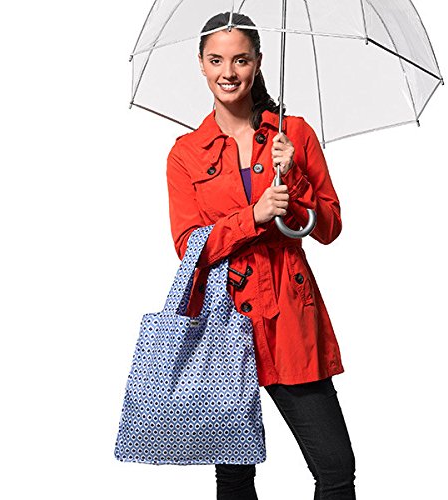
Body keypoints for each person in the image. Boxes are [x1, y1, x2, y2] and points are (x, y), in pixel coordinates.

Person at [166, 11, 356, 500]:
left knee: (335, 471)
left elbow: (330, 227)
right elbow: (189, 247)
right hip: (224, 326)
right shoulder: (185, 153)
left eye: (240, 59)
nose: (228, 72)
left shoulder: (293, 135)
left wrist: (294, 178)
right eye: (216, 60)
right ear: (201, 65)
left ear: (258, 62)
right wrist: (253, 215)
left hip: (291, 318)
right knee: (234, 476)